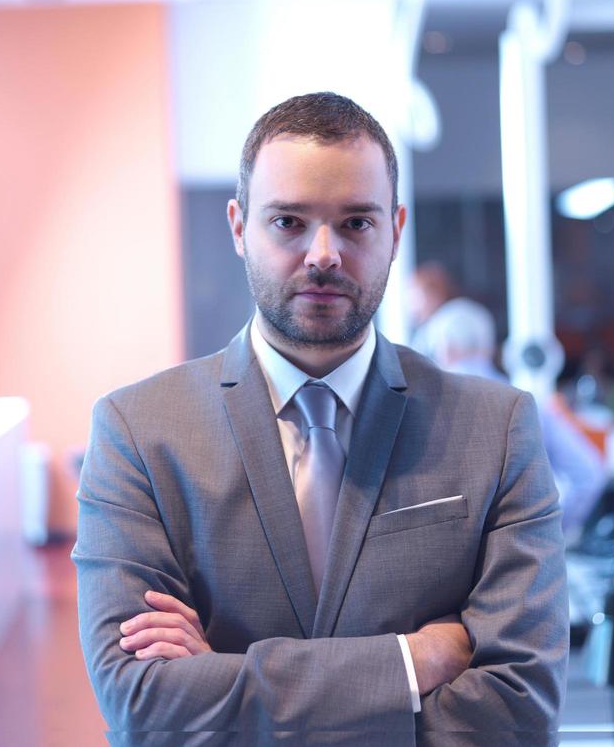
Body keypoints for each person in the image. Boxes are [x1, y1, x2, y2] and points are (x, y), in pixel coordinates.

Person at [73, 92, 568, 746]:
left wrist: (224, 686)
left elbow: (518, 710)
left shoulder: (496, 427)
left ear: (395, 227)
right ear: (238, 226)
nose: (324, 254)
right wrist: (411, 663)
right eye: (288, 222)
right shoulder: (137, 431)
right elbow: (142, 705)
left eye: (357, 223)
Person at [424, 295, 606, 540]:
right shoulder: (529, 402)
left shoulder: (425, 410)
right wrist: (548, 531)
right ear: (490, 348)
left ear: (444, 346)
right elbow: (589, 473)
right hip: (524, 556)